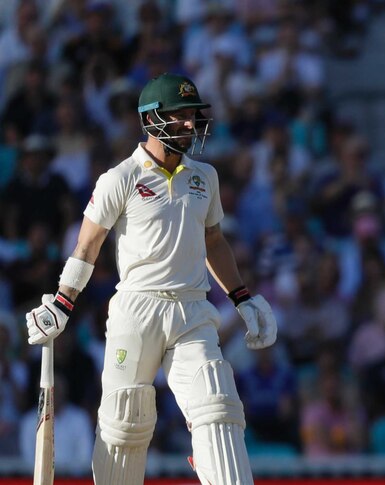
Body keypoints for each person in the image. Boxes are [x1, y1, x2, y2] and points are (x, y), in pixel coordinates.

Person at [24, 72, 277, 484]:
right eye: (180, 117)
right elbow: (87, 245)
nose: (191, 125)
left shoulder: (204, 177)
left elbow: (213, 240)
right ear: (152, 119)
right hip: (137, 309)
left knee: (218, 406)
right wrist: (61, 303)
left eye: (194, 116)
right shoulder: (120, 178)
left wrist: (242, 297)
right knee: (125, 424)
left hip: (193, 308)